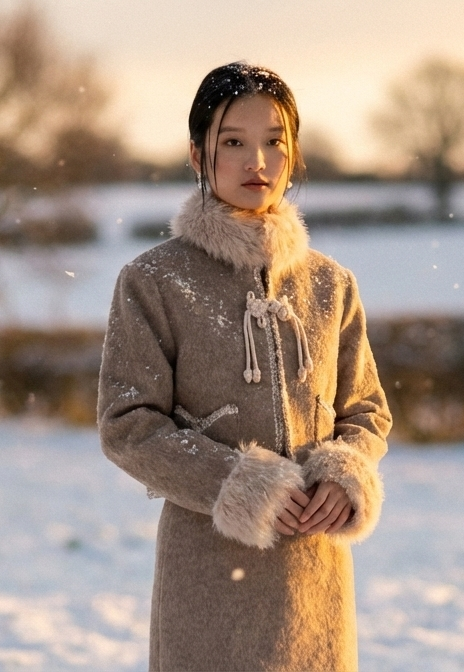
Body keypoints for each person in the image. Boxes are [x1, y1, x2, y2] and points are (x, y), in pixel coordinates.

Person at [97, 62, 392, 671]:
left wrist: (345, 473)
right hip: (207, 578)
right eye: (233, 141)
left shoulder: (331, 284)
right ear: (198, 155)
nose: (256, 160)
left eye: (274, 141)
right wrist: (237, 484)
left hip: (315, 584)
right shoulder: (154, 281)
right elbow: (128, 425)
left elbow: (365, 409)